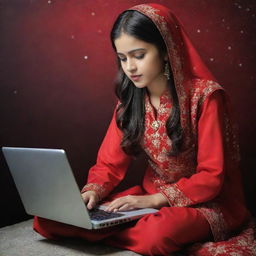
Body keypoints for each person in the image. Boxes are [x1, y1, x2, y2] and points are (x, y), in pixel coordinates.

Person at [33, 3, 252, 255]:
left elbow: (211, 176)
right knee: (48, 219)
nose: (130, 68)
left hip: (207, 205)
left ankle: (103, 232)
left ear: (166, 50)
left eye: (139, 55)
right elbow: (109, 165)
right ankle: (104, 227)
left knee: (157, 234)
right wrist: (92, 192)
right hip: (150, 203)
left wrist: (155, 200)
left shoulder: (205, 97)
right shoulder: (130, 101)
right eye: (123, 58)